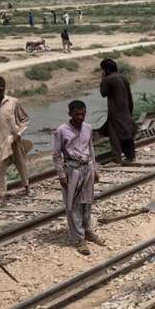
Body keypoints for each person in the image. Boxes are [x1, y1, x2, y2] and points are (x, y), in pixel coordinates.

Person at [53, 100, 103, 255]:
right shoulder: (61, 131)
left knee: (87, 202)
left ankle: (87, 230)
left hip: (87, 168)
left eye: (83, 114)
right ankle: (78, 238)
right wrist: (61, 174)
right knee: (73, 205)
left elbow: (91, 148)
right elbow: (56, 155)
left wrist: (94, 168)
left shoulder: (88, 128)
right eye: (77, 114)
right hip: (72, 170)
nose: (80, 117)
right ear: (70, 114)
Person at [0, 75, 30, 202]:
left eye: (2, 86)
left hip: (13, 140)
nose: (0, 88)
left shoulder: (13, 102)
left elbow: (24, 119)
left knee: (21, 165)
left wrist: (19, 133)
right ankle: (2, 195)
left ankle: (27, 188)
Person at [98, 59, 137, 164]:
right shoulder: (123, 77)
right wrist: (130, 111)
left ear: (106, 70)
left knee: (114, 136)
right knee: (127, 134)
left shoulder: (108, 80)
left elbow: (103, 93)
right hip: (126, 111)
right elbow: (129, 96)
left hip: (115, 113)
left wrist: (103, 79)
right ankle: (131, 156)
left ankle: (117, 158)